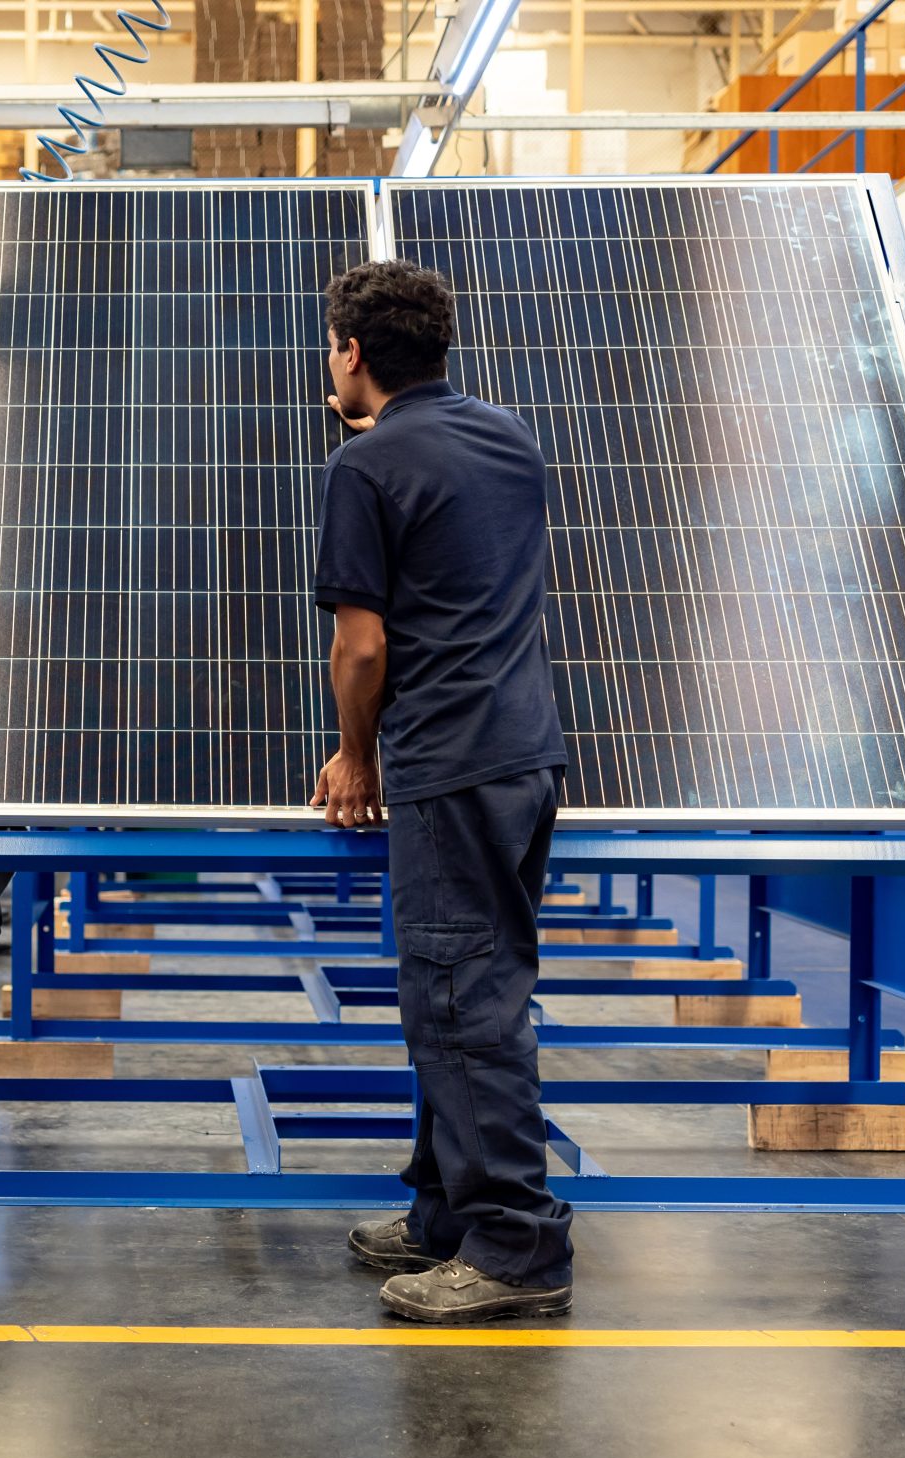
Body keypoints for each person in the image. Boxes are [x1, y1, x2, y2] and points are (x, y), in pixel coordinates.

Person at [310, 260, 576, 1324]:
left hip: (449, 764)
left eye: (331, 345)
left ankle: (515, 1245)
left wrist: (355, 754)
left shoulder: (365, 465)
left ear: (353, 353)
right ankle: (441, 1216)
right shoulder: (511, 438)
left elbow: (360, 646)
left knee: (464, 1006)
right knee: (463, 993)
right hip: (525, 756)